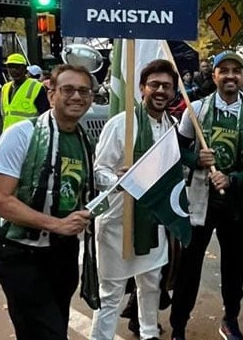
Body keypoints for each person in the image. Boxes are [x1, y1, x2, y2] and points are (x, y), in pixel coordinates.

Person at [0, 64, 95, 340]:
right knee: (49, 333)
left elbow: (76, 189)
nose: (76, 97)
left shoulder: (84, 141)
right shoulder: (22, 134)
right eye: (67, 89)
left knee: (48, 324)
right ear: (51, 95)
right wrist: (57, 224)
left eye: (84, 91)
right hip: (19, 253)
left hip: (62, 253)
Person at [170, 51, 243, 340]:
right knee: (189, 268)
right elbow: (177, 151)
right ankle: (178, 326)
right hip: (201, 204)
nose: (231, 75)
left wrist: (234, 180)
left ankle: (230, 319)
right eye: (225, 70)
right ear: (215, 76)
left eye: (236, 70)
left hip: (237, 204)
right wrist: (196, 158)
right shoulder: (195, 111)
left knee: (235, 268)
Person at [90, 59, 179, 340]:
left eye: (167, 86)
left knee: (151, 282)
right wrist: (120, 179)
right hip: (119, 221)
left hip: (153, 221)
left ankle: (149, 333)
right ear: (142, 88)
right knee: (111, 293)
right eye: (155, 85)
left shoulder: (171, 126)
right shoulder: (122, 125)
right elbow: (98, 171)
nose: (161, 90)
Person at [0, 53, 50, 132]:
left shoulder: (36, 87)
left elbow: (44, 114)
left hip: (29, 134)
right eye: (10, 67)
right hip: (9, 133)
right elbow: (4, 114)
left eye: (17, 67)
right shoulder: (5, 88)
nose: (13, 70)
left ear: (25, 69)